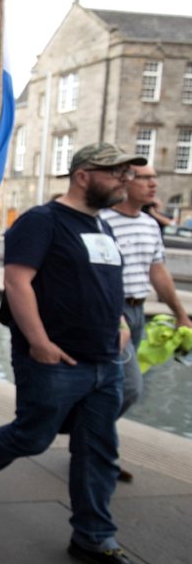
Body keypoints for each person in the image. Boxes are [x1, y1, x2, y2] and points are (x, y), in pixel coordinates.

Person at [0, 143, 155, 564]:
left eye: (128, 172)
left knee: (98, 449)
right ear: (83, 175)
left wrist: (120, 321)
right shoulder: (42, 221)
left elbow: (106, 282)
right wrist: (40, 343)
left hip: (106, 361)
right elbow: (17, 281)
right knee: (33, 434)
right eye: (116, 172)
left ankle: (94, 538)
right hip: (55, 361)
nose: (125, 179)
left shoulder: (103, 225)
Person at [100, 162, 191, 481]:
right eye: (145, 178)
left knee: (116, 390)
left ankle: (98, 451)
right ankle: (94, 444)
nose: (154, 183)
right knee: (130, 388)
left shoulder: (150, 224)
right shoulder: (103, 220)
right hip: (115, 314)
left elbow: (158, 271)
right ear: (125, 181)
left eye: (155, 177)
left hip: (138, 313)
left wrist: (180, 313)